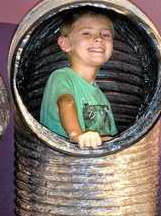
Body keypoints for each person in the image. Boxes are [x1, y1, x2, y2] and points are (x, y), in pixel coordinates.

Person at [38, 10, 118, 148]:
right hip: (66, 165)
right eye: (87, 33)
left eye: (105, 34)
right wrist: (76, 135)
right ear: (65, 43)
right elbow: (66, 102)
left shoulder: (100, 96)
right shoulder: (61, 76)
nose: (99, 38)